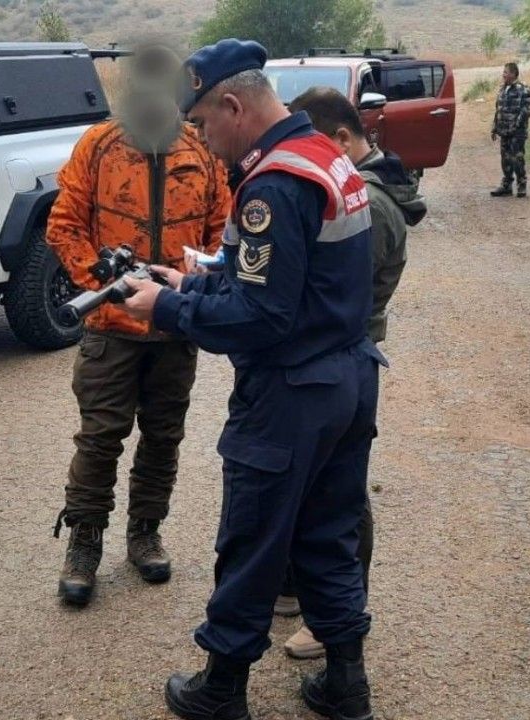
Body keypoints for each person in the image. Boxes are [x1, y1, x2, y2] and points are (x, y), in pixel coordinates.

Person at [119, 38, 386, 720]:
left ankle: (222, 688)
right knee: (328, 533)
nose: (203, 142)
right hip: (348, 375)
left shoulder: (271, 184)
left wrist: (166, 308)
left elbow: (263, 317)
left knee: (253, 538)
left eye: (203, 123)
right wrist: (193, 282)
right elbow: (292, 282)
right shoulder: (324, 153)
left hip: (290, 394)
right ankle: (346, 683)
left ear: (234, 107)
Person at [46, 41, 232, 607]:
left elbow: (221, 230)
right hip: (111, 327)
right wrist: (101, 283)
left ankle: (145, 532)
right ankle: (84, 541)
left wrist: (191, 286)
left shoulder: (201, 151)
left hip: (175, 326)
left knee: (164, 435)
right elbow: (64, 224)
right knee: (100, 437)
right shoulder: (99, 145)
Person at [274, 86, 426, 660]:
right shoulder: (352, 185)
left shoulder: (371, 203)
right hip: (327, 355)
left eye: (309, 143)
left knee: (341, 492)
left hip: (343, 357)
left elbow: (338, 296)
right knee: (307, 477)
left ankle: (337, 615)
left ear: (340, 138)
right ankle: (297, 583)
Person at [490, 61, 530, 198]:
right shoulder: (502, 89)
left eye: (506, 72)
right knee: (505, 160)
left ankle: (521, 185)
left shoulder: (524, 89)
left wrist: (517, 124)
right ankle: (506, 186)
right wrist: (494, 128)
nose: (503, 75)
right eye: (503, 72)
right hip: (504, 131)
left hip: (517, 132)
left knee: (517, 159)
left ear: (513, 73)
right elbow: (498, 109)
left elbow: (529, 109)